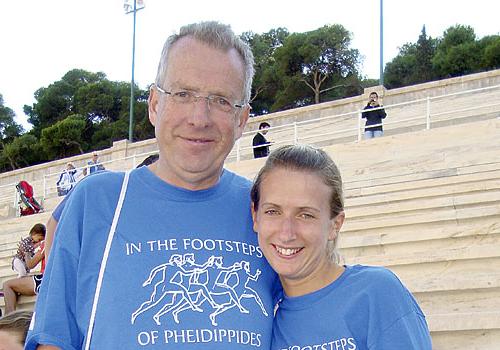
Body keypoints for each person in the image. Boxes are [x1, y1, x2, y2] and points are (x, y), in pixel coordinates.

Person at [26, 21, 278, 350]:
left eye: (220, 100)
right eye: (183, 94)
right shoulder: (95, 201)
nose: (199, 117)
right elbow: (52, 339)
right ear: (155, 104)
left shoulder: (267, 212)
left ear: (242, 119)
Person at [250, 145, 432, 349]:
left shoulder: (376, 293)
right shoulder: (260, 318)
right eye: (273, 211)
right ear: (255, 215)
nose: (286, 233)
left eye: (305, 215)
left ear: (334, 225)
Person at [2, 239, 45, 315]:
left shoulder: (48, 242)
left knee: (7, 285)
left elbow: (30, 264)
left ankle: (9, 319)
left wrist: (26, 252)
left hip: (45, 280)